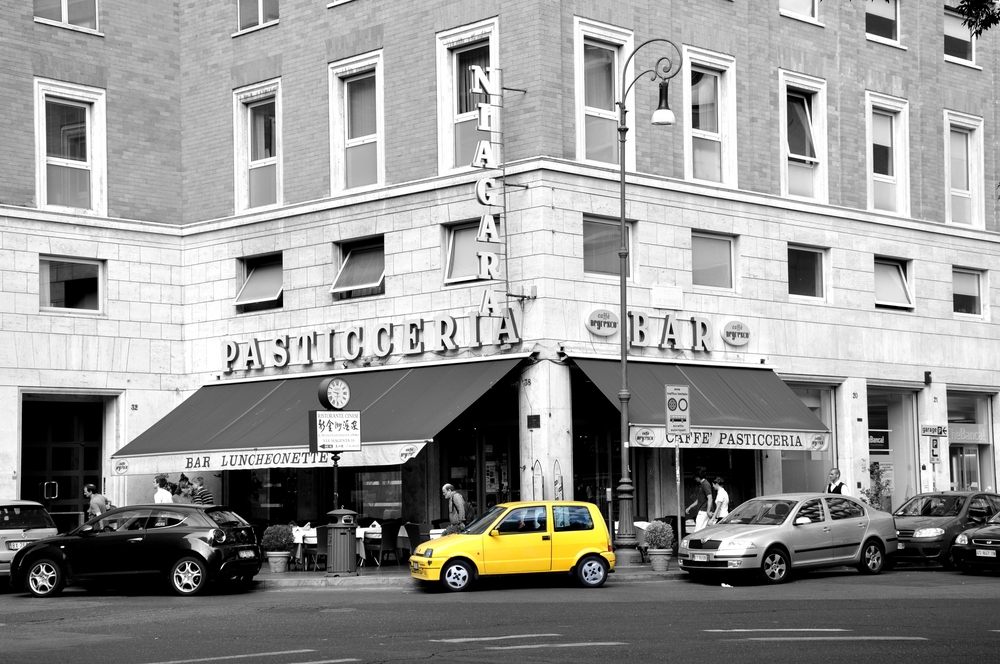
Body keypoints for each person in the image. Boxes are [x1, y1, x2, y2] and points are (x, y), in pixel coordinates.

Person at [685, 467, 714, 532]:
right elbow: (699, 500)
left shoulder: (705, 484)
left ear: (698, 476)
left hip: (703, 511)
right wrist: (690, 507)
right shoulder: (703, 485)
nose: (695, 479)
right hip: (703, 511)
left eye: (695, 477)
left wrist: (708, 511)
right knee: (702, 531)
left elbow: (710, 498)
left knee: (697, 532)